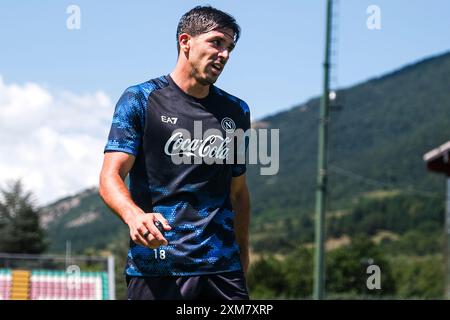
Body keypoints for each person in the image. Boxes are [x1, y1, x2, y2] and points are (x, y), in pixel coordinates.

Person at [99, 6, 251, 300]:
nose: (225, 54)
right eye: (216, 42)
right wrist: (134, 216)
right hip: (157, 268)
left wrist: (242, 255)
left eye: (230, 47)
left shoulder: (237, 111)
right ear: (186, 42)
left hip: (222, 270)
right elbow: (110, 176)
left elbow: (239, 192)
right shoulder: (141, 99)